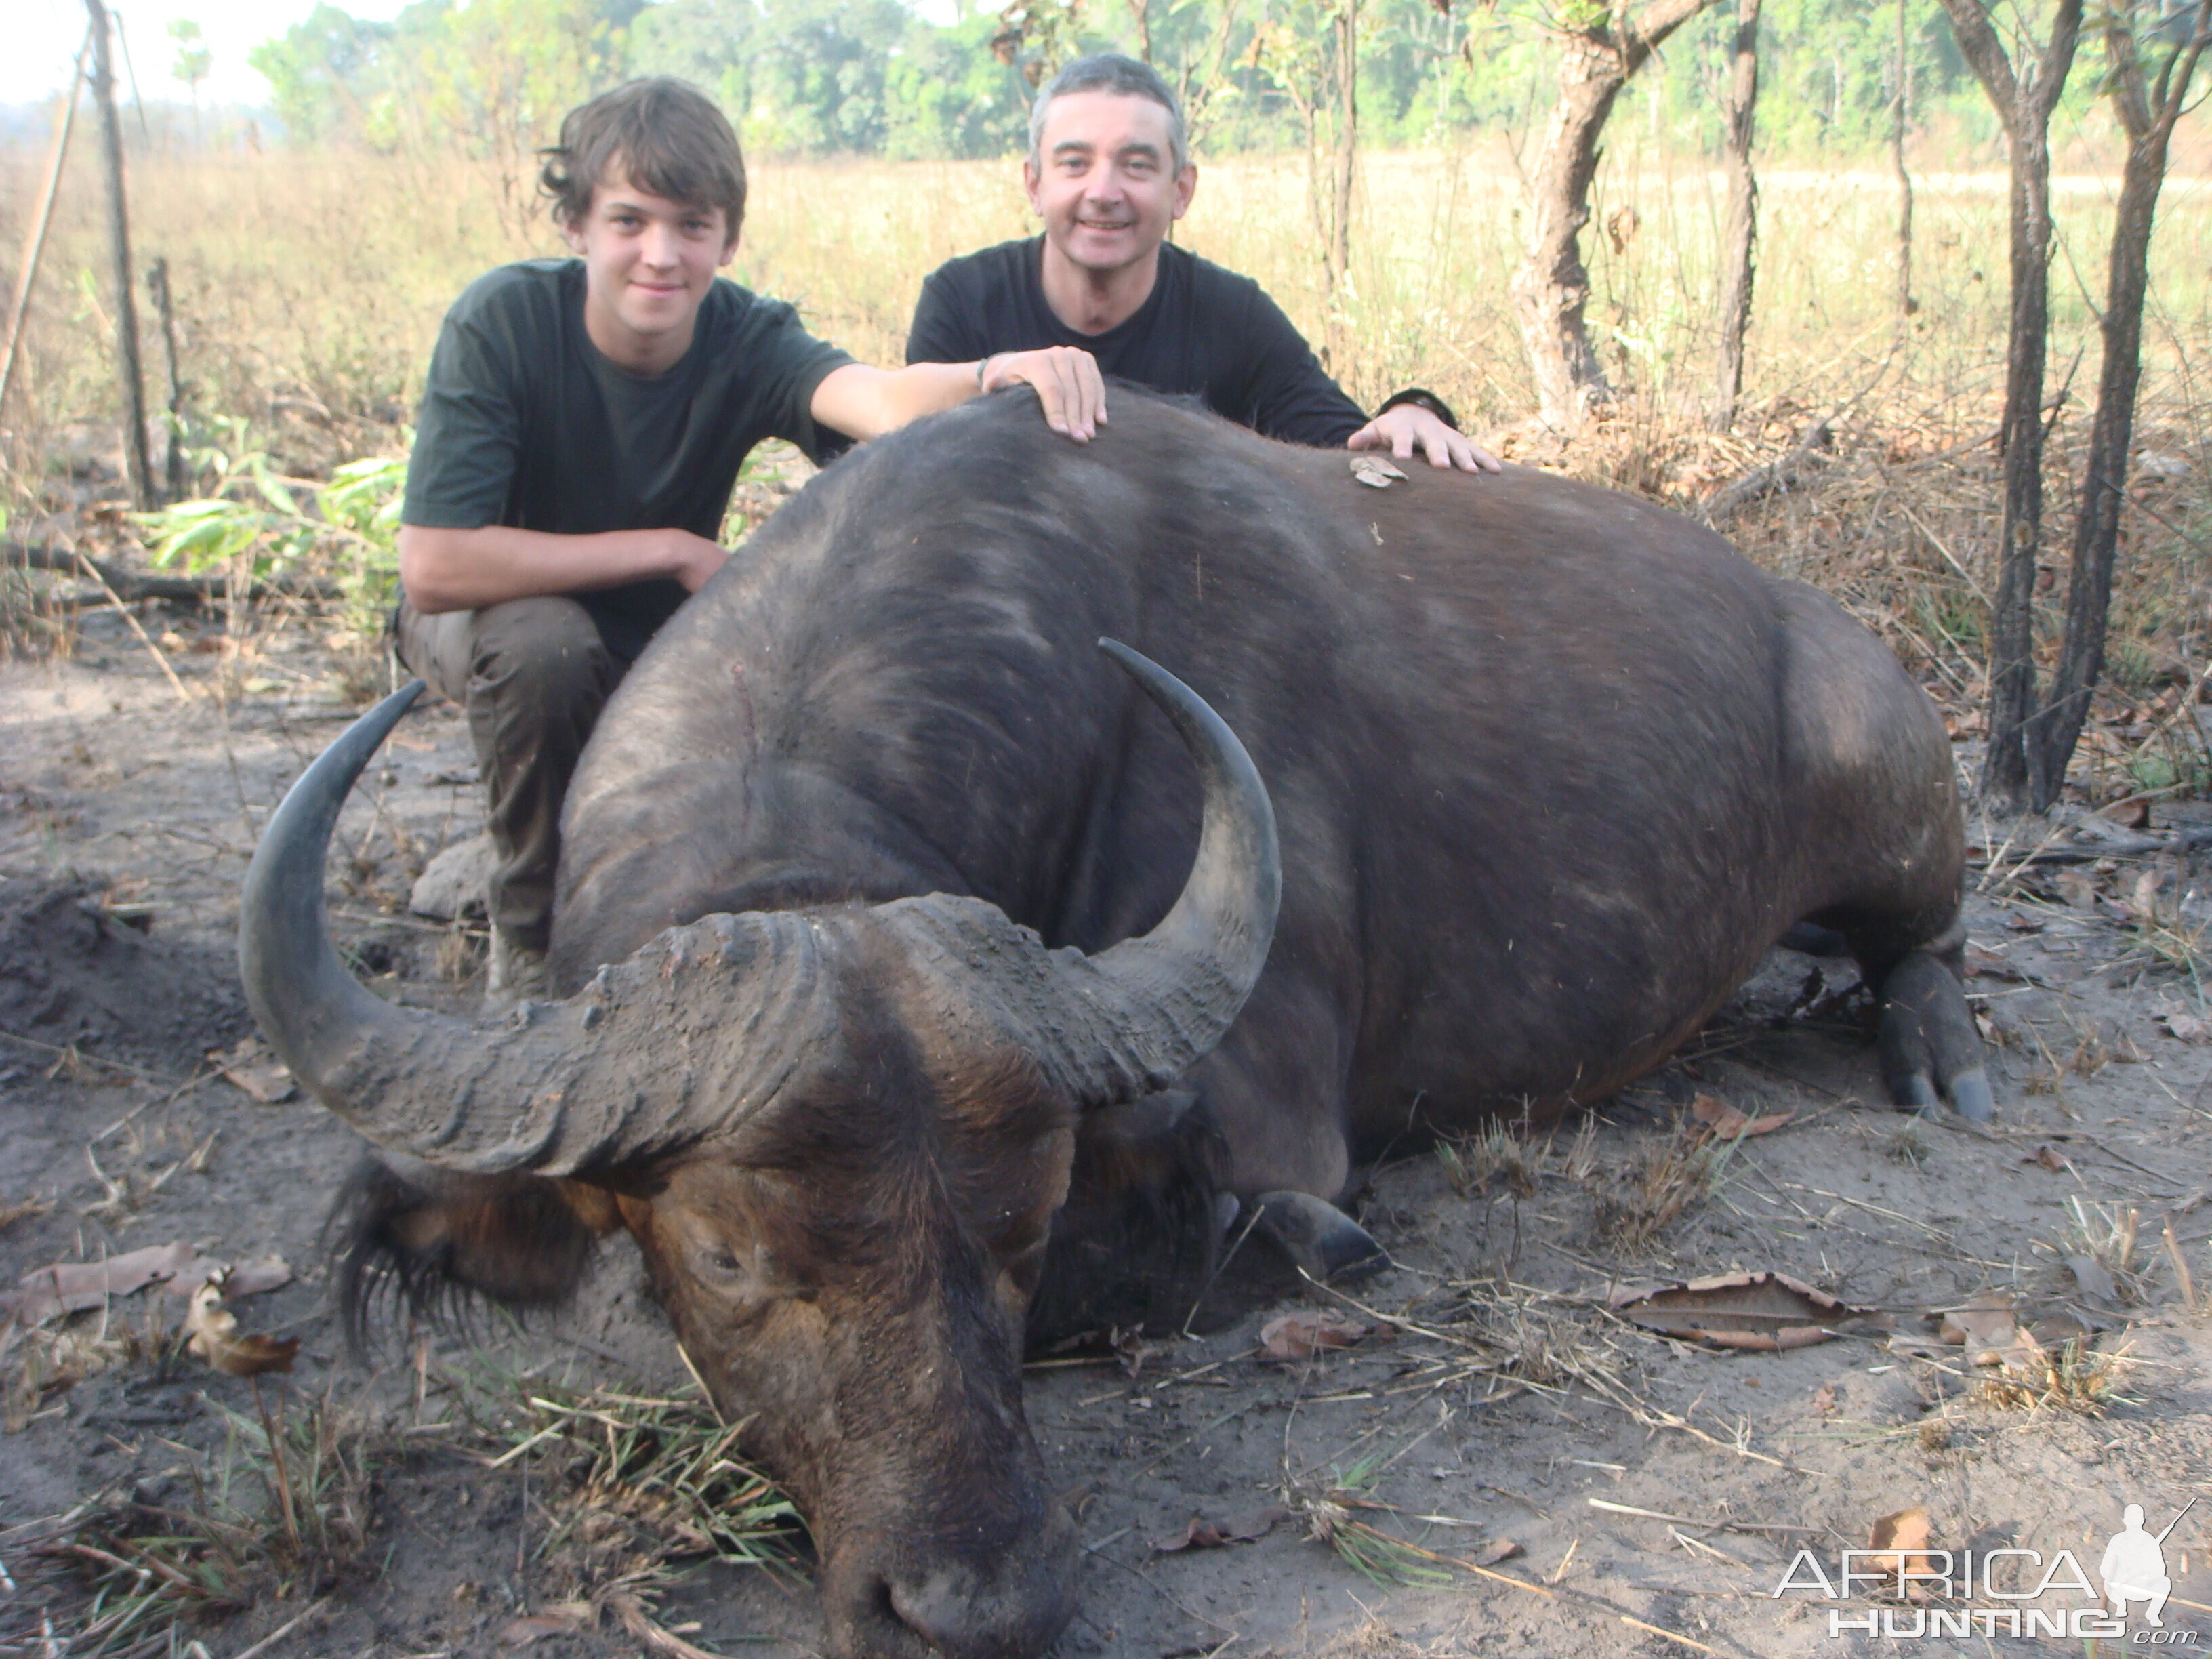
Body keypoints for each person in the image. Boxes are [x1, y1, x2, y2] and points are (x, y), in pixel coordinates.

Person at [396, 78, 1105, 1000]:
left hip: (658, 636)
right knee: (548, 651)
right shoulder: (502, 322)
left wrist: (992, 371)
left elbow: (881, 402)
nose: (661, 256)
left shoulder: (744, 333)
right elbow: (438, 565)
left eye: (692, 227)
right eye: (628, 222)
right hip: (491, 619)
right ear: (575, 227)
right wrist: (672, 550)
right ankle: (530, 952)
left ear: (727, 239)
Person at [906, 53, 1498, 474]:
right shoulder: (962, 300)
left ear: (1181, 190)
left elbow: (1342, 446)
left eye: (1137, 165)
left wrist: (1410, 413)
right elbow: (915, 472)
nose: (1104, 191)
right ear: (1034, 185)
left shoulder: (1233, 315)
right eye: (1075, 164)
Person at [2100, 1504, 2173, 1626]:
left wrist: (2147, 1575)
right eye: (2131, 1519)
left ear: (2142, 1520)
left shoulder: (2149, 1541)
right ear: (2125, 1520)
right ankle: (2120, 1605)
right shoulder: (2117, 1540)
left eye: (2137, 1519)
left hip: (2145, 1587)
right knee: (2108, 1581)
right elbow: (2105, 1569)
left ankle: (2153, 1614)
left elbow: (2161, 1570)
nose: (2134, 1522)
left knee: (2165, 1583)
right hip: (2121, 1587)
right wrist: (2122, 1573)